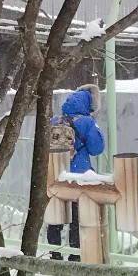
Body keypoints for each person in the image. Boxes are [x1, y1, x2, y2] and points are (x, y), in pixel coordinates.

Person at [45, 87, 105, 254]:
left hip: (57, 174)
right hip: (78, 177)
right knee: (77, 220)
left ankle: (54, 254)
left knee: (56, 217)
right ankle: (75, 256)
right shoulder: (87, 122)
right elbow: (97, 149)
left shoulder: (55, 120)